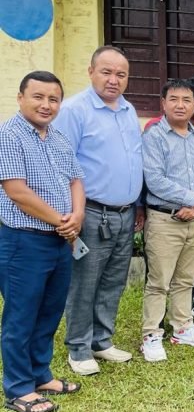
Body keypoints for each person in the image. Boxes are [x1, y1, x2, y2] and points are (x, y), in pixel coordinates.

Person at [53, 46, 144, 376]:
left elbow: (133, 159)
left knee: (113, 281)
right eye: (106, 72)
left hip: (125, 212)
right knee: (85, 283)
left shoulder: (128, 110)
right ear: (91, 71)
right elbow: (60, 165)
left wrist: (138, 204)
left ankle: (101, 340)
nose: (113, 80)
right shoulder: (74, 110)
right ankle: (78, 347)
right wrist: (70, 214)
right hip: (90, 213)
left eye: (121, 74)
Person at [0, 72, 84, 412]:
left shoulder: (59, 138)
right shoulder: (8, 135)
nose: (46, 104)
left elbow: (76, 180)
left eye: (53, 99)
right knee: (21, 316)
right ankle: (19, 388)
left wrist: (77, 215)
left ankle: (40, 375)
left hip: (60, 241)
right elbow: (16, 191)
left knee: (49, 312)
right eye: (38, 96)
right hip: (24, 241)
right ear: (21, 97)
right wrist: (63, 221)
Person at [140, 79, 194, 362]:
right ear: (163, 103)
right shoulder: (154, 136)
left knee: (186, 280)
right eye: (174, 99)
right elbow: (154, 180)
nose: (181, 105)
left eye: (187, 100)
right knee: (158, 282)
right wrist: (193, 199)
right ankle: (151, 334)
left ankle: (182, 327)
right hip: (165, 220)